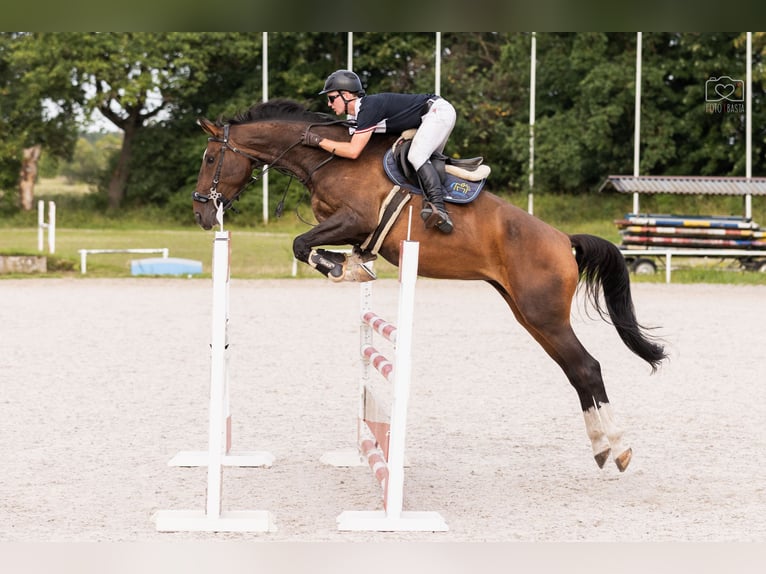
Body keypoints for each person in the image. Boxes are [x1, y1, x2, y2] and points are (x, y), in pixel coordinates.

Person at [302, 69, 456, 234]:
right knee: (416, 161)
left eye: (331, 98)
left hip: (437, 112)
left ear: (346, 95)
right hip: (428, 117)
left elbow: (353, 151)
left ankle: (439, 209)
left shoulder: (368, 108)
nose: (329, 104)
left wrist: (319, 142)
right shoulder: (355, 117)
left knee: (417, 155)